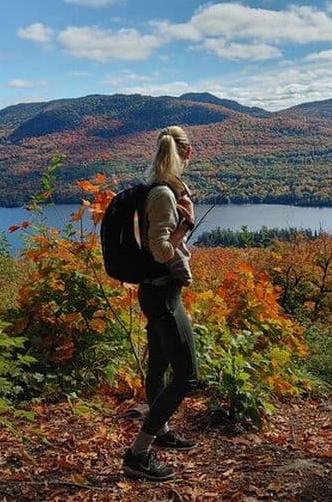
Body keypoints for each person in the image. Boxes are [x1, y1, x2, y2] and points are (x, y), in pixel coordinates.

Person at [121, 126, 199, 482]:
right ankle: (139, 454)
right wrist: (187, 225)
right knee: (185, 375)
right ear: (187, 153)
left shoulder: (153, 188)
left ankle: (162, 430)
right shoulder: (164, 195)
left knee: (159, 367)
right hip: (163, 294)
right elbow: (161, 250)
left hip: (154, 292)